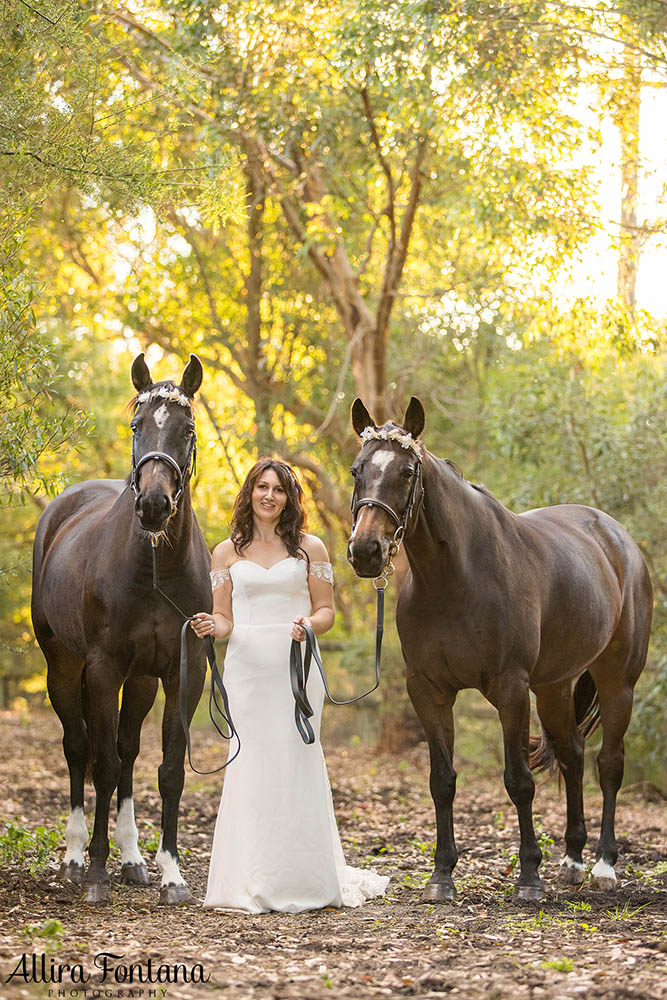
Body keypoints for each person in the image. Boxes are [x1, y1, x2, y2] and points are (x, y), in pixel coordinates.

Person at [191, 458, 389, 913]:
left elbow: (327, 612)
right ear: (250, 493)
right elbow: (225, 619)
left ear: (289, 498)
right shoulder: (225, 553)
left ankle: (303, 878)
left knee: (294, 762)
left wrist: (307, 623)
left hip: (296, 668)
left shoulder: (309, 548)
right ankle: (247, 879)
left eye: (278, 489)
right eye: (262, 487)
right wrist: (210, 625)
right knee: (250, 766)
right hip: (246, 673)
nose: (269, 496)